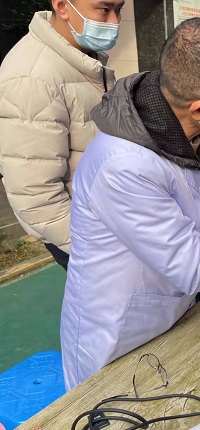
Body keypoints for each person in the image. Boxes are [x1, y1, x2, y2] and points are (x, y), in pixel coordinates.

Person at [61, 18, 200, 389]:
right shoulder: (124, 166)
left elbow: (198, 205)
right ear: (199, 108)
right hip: (120, 334)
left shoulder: (175, 129)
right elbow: (192, 266)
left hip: (165, 317)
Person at [0, 0, 123, 270]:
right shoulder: (33, 76)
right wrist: (97, 250)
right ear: (62, 6)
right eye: (104, 9)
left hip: (105, 220)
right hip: (85, 237)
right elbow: (35, 195)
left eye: (119, 9)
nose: (115, 22)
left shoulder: (82, 58)